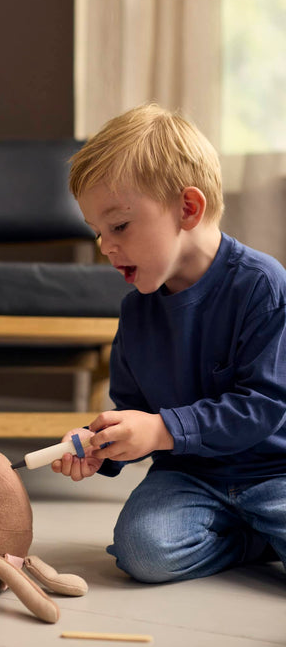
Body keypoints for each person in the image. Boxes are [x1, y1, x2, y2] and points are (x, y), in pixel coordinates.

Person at [53, 103, 286, 583]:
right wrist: (101, 447)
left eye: (118, 226)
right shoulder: (136, 310)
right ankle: (252, 538)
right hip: (190, 477)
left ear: (188, 208)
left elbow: (263, 405)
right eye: (97, 232)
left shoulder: (261, 285)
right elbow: (135, 409)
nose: (105, 246)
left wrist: (161, 429)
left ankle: (257, 527)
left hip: (274, 472)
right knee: (141, 552)